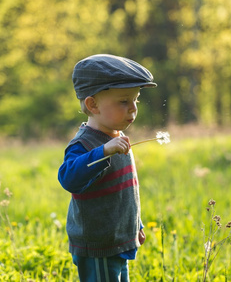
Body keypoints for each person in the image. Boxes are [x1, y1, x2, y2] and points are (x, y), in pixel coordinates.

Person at [58, 54, 157, 281]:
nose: (133, 109)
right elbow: (68, 178)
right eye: (124, 101)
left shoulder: (117, 137)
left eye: (136, 101)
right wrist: (103, 152)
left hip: (117, 239)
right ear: (93, 104)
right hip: (98, 243)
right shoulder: (85, 143)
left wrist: (135, 225)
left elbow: (125, 193)